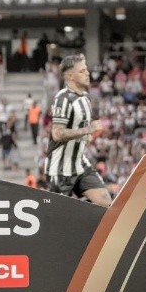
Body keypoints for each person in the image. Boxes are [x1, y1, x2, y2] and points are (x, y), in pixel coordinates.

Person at [46, 53, 111, 206]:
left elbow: (78, 127)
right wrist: (87, 130)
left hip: (80, 163)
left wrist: (86, 136)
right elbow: (57, 134)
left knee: (104, 201)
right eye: (82, 71)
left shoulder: (85, 98)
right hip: (61, 167)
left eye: (86, 69)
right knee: (58, 212)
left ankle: (82, 210)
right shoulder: (63, 98)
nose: (88, 73)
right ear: (70, 76)